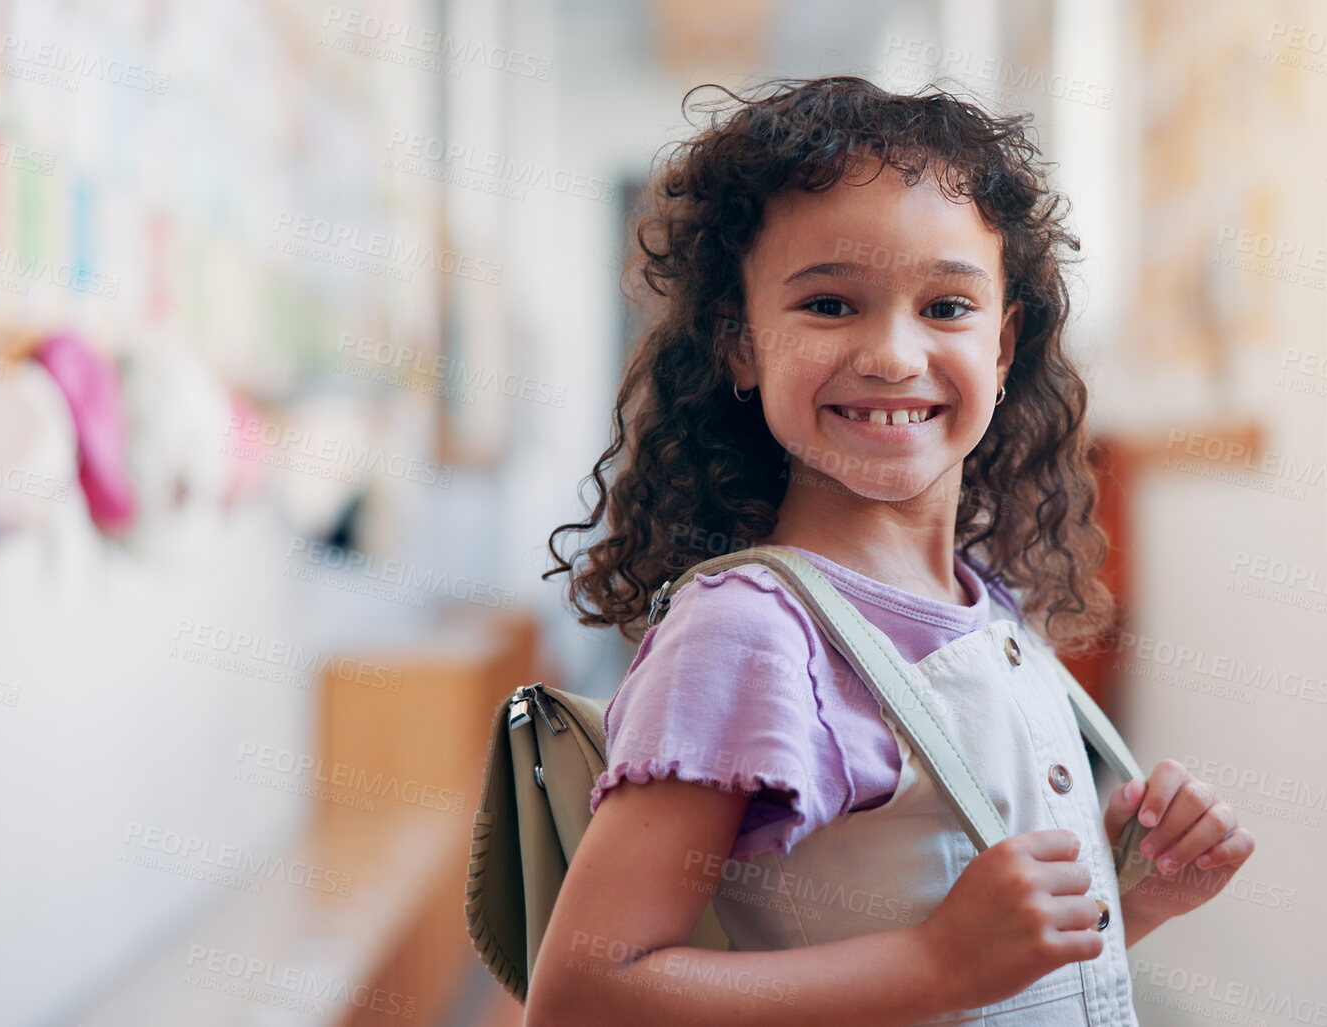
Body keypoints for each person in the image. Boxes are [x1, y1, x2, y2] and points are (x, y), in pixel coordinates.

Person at [531, 75, 1255, 1026]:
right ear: (740, 344)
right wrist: (934, 959)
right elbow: (583, 995)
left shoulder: (985, 605)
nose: (893, 354)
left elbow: (995, 979)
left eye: (946, 307)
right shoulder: (747, 632)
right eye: (830, 304)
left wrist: (1134, 901)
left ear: (1001, 350)